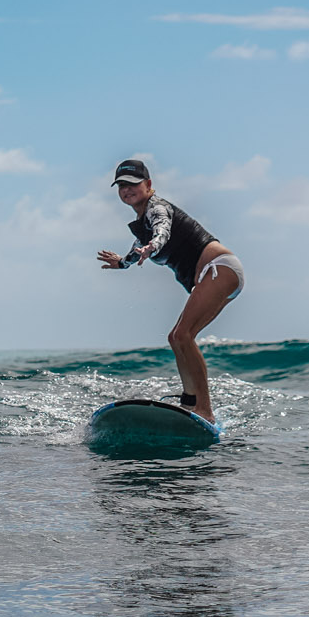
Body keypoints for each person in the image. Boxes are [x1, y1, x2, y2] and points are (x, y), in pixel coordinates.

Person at [96, 157, 244, 424]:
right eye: (121, 186)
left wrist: (152, 247)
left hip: (218, 269)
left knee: (183, 335)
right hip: (217, 275)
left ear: (148, 184)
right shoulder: (143, 223)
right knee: (176, 338)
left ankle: (205, 410)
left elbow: (162, 231)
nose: (126, 190)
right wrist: (121, 262)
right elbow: (135, 250)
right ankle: (190, 403)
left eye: (132, 184)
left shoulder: (158, 209)